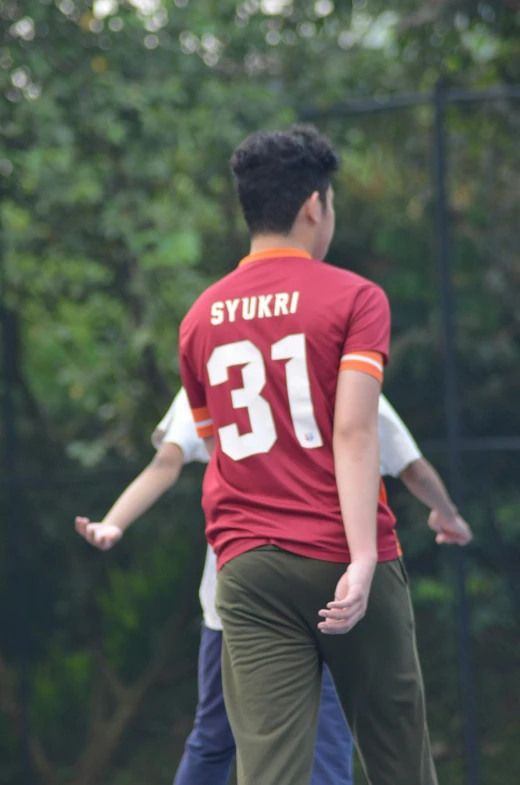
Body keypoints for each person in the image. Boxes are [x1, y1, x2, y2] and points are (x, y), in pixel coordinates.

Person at [178, 124, 438, 785]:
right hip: (340, 548)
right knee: (397, 756)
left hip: (247, 566)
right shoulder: (354, 297)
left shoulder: (199, 318)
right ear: (314, 205)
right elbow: (355, 433)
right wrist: (360, 556)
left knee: (268, 771)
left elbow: (219, 450)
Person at [75, 388, 472, 785]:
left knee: (222, 739)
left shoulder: (218, 361)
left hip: (243, 589)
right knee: (323, 738)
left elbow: (166, 462)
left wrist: (115, 521)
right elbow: (412, 467)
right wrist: (447, 513)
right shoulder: (341, 371)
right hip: (323, 581)